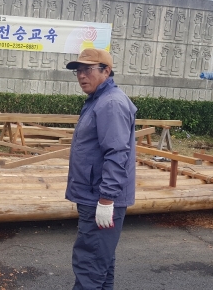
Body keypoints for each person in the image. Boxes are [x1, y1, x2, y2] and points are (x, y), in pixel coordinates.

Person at [64, 48, 137, 289]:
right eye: (78, 71)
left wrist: (106, 200)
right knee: (101, 263)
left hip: (100, 198)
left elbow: (117, 154)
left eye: (88, 70)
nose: (81, 76)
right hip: (93, 195)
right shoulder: (99, 100)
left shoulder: (110, 103)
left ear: (106, 71)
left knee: (90, 263)